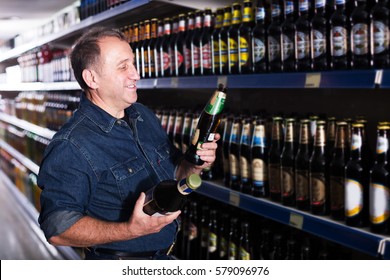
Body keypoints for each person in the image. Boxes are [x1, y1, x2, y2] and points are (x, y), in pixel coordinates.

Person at [37, 27, 219, 260]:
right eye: (123, 67)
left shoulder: (142, 116)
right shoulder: (72, 144)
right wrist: (130, 230)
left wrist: (195, 164)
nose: (136, 74)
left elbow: (173, 174)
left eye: (133, 64)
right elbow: (57, 228)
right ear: (92, 78)